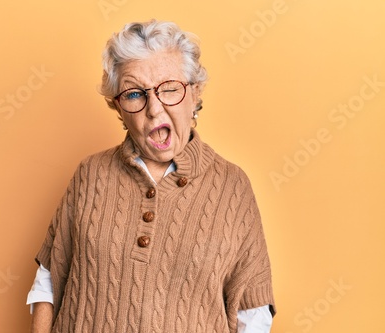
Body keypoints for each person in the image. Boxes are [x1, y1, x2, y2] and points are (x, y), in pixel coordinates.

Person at [27, 20, 275, 333]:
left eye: (170, 89)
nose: (154, 109)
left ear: (194, 93)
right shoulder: (90, 175)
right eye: (134, 94)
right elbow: (47, 283)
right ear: (117, 107)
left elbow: (253, 314)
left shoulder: (232, 186)